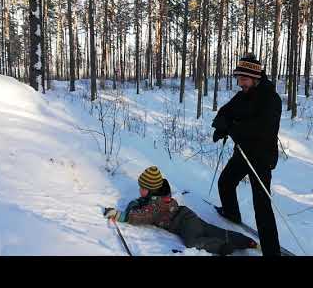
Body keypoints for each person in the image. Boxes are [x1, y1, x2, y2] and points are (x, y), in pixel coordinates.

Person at [211, 53, 282, 256]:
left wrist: (233, 128)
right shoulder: (243, 95)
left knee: (262, 207)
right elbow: (226, 111)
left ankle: (271, 251)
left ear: (254, 78)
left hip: (261, 158)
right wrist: (221, 125)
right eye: (239, 79)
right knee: (225, 182)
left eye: (243, 79)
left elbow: (263, 129)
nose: (239, 83)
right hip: (242, 154)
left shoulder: (271, 99)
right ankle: (231, 214)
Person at [103, 166, 259, 256]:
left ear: (151, 190)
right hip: (187, 216)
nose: (140, 191)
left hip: (183, 224)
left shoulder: (157, 205)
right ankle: (247, 242)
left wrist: (119, 215)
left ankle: (223, 247)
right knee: (212, 230)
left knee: (193, 242)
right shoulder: (158, 197)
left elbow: (141, 216)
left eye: (142, 188)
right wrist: (137, 202)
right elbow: (141, 203)